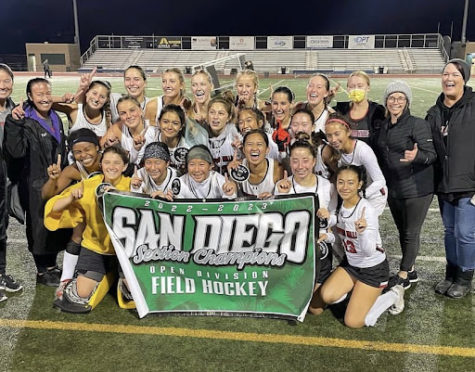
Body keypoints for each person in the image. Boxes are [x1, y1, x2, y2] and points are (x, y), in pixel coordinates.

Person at [309, 165, 405, 328]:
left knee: (354, 322)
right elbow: (344, 238)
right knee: (323, 299)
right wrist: (328, 236)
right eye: (341, 182)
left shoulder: (366, 211)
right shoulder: (341, 205)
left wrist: (362, 232)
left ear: (360, 184)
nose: (345, 187)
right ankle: (356, 295)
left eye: (350, 183)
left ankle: (392, 294)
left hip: (372, 269)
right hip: (351, 265)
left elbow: (368, 251)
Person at [44, 145, 132, 313]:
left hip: (125, 252)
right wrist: (70, 196)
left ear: (125, 166)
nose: (111, 166)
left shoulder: (132, 186)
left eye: (116, 163)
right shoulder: (90, 185)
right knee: (80, 294)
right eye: (107, 162)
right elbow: (53, 207)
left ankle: (118, 272)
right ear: (101, 165)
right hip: (95, 248)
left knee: (133, 293)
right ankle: (101, 272)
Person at [3, 78, 70, 286]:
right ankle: (42, 271)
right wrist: (14, 123)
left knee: (55, 222)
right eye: (39, 94)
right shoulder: (24, 118)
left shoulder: (55, 116)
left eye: (47, 93)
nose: (45, 98)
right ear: (30, 97)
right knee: (38, 226)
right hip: (33, 182)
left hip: (56, 180)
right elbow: (15, 152)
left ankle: (52, 265)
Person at [375, 81, 436, 289]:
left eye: (401, 98)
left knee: (411, 232)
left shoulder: (417, 124)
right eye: (392, 98)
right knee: (403, 230)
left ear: (407, 101)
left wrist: (417, 156)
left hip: (417, 186)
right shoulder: (383, 126)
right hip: (394, 187)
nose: (396, 101)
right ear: (386, 101)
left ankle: (402, 274)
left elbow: (431, 155)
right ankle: (410, 270)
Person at [426, 59, 475, 298]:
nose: (449, 78)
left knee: (465, 233)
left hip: (469, 183)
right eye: (446, 74)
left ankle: (465, 277)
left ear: (463, 78)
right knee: (450, 231)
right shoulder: (434, 112)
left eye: (455, 74)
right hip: (444, 184)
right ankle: (451, 273)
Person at [41, 128, 102, 298]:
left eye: (87, 149)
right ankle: (66, 278)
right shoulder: (74, 169)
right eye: (78, 152)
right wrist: (53, 180)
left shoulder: (109, 161)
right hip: (93, 215)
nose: (83, 155)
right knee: (78, 226)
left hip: (113, 213)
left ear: (97, 147)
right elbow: (47, 195)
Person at [274, 139, 337, 290]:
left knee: (315, 307)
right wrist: (282, 197)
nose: (300, 166)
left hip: (318, 249)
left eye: (305, 160)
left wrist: (327, 218)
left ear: (314, 161)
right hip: (291, 252)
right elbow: (276, 222)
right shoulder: (282, 186)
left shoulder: (327, 187)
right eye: (295, 161)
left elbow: (335, 218)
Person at [324, 113, 387, 216]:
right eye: (329, 135)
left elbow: (380, 180)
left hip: (374, 195)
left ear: (348, 131)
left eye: (337, 134)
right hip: (355, 195)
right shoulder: (336, 150)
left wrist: (361, 194)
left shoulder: (363, 150)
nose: (333, 139)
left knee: (364, 227)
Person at [0, 64, 22, 301]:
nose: (3, 85)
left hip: (5, 182)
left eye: (7, 80)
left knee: (1, 230)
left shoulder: (14, 109)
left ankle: (1, 272)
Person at [334, 71, 385, 149]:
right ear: (348, 89)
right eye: (352, 86)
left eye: (360, 86)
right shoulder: (340, 110)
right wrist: (327, 99)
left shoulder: (378, 112)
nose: (356, 89)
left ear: (368, 88)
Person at [101, 95, 157, 165]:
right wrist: (110, 148)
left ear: (141, 110)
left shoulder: (153, 129)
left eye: (132, 110)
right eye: (123, 113)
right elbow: (100, 151)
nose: (129, 116)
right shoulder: (118, 128)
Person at [227, 129, 283, 199]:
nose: (254, 148)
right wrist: (231, 176)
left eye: (259, 144)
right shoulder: (237, 167)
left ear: (267, 150)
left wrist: (275, 197)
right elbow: (231, 198)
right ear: (243, 150)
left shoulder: (277, 169)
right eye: (249, 144)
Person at [207, 96, 240, 174]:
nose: (215, 117)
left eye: (221, 113)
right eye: (212, 112)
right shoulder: (200, 135)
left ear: (229, 117)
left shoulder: (236, 136)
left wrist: (243, 155)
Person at [156, 104, 193, 173]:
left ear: (181, 126)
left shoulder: (188, 147)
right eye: (165, 122)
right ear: (159, 123)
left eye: (175, 123)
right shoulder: (150, 137)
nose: (169, 127)